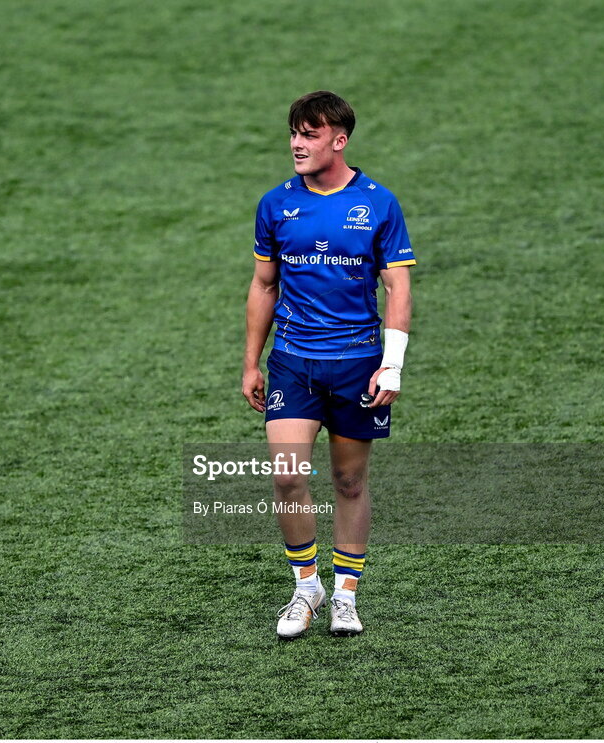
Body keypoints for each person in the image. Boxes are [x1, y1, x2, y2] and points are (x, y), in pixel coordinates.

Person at [242, 91, 416, 639]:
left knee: (347, 480)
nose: (297, 143)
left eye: (310, 134)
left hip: (357, 363)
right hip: (293, 361)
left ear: (338, 141)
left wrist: (393, 364)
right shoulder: (275, 204)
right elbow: (264, 284)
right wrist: (251, 362)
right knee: (288, 476)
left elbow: (398, 285)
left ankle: (345, 593)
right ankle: (305, 585)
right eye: (294, 132)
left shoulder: (379, 202)